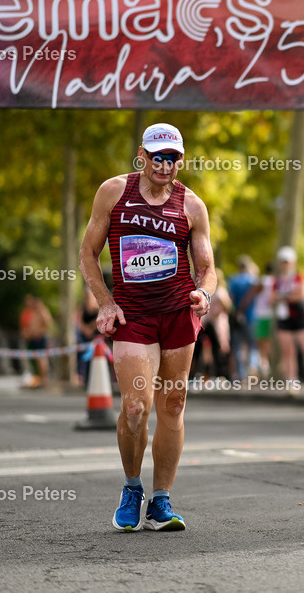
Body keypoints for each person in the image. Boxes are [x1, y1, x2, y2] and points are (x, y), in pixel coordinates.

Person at [79, 122, 216, 532]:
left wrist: (204, 295)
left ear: (180, 159)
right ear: (142, 153)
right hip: (132, 315)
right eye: (157, 155)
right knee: (135, 408)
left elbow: (207, 268)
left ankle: (161, 501)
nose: (164, 163)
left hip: (177, 313)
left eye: (172, 156)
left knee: (172, 406)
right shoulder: (113, 192)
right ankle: (132, 487)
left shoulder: (192, 205)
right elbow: (87, 252)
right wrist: (104, 302)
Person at [273, 246, 304, 395]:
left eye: (287, 262)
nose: (285, 264)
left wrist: (283, 296)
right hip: (285, 318)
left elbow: (300, 295)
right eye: (283, 262)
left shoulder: (299, 277)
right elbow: (272, 298)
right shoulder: (278, 280)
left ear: (293, 262)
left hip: (301, 318)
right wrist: (287, 295)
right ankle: (291, 382)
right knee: (288, 351)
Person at [227, 256, 258, 380]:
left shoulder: (233, 280)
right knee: (252, 346)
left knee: (238, 346)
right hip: (250, 317)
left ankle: (241, 374)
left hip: (236, 318)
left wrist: (236, 311)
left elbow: (230, 298)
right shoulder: (252, 280)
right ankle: (252, 370)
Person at [20, 295, 53, 388]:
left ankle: (44, 379)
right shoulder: (32, 312)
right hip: (32, 339)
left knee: (42, 359)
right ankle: (38, 378)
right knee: (36, 360)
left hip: (40, 338)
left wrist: (39, 332)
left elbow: (48, 324)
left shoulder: (42, 311)